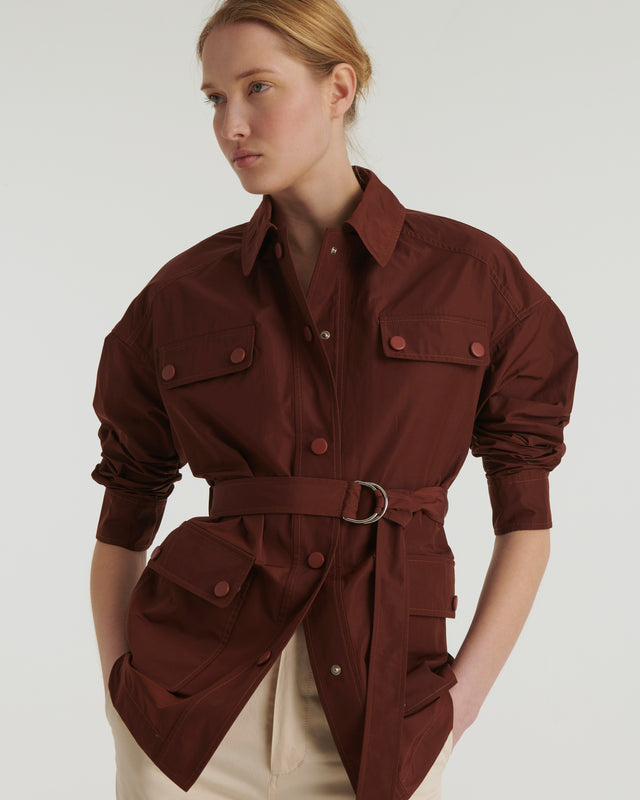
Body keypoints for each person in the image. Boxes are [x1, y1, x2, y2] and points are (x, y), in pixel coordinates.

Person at [89, 1, 579, 798]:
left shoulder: (473, 279)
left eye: (258, 88)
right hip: (189, 712)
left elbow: (526, 517)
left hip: (387, 707)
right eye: (215, 98)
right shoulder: (180, 297)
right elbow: (126, 500)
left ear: (339, 88)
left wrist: (461, 704)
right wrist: (122, 688)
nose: (231, 125)